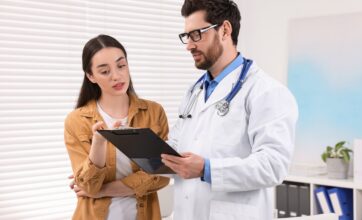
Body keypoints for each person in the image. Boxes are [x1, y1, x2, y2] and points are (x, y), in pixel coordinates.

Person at [161, 0, 298, 219]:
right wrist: (147, 149)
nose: (189, 45)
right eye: (187, 36)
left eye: (197, 34)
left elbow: (273, 166)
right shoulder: (194, 91)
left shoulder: (266, 91)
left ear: (225, 29)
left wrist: (206, 169)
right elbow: (179, 144)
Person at [64, 34, 169, 220]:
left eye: (121, 66)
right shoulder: (76, 121)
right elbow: (88, 186)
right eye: (105, 71)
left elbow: (162, 175)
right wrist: (98, 143)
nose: (117, 76)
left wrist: (102, 190)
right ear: (91, 76)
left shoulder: (153, 112)